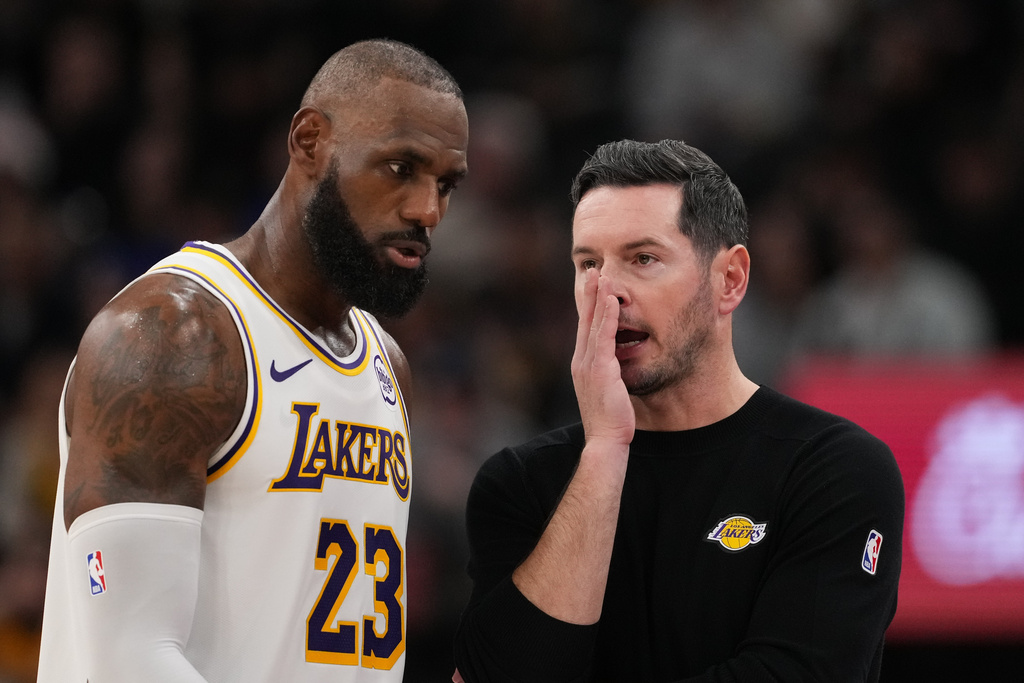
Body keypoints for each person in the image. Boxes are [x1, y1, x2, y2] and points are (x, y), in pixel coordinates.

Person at [37, 38, 469, 682]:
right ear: (309, 141)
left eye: (446, 183)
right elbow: (129, 657)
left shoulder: (388, 367)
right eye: (400, 168)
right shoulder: (174, 334)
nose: (426, 210)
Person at [452, 139, 904, 682]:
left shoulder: (835, 469)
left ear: (730, 280)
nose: (608, 291)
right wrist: (603, 452)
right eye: (588, 264)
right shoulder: (520, 483)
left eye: (643, 259)